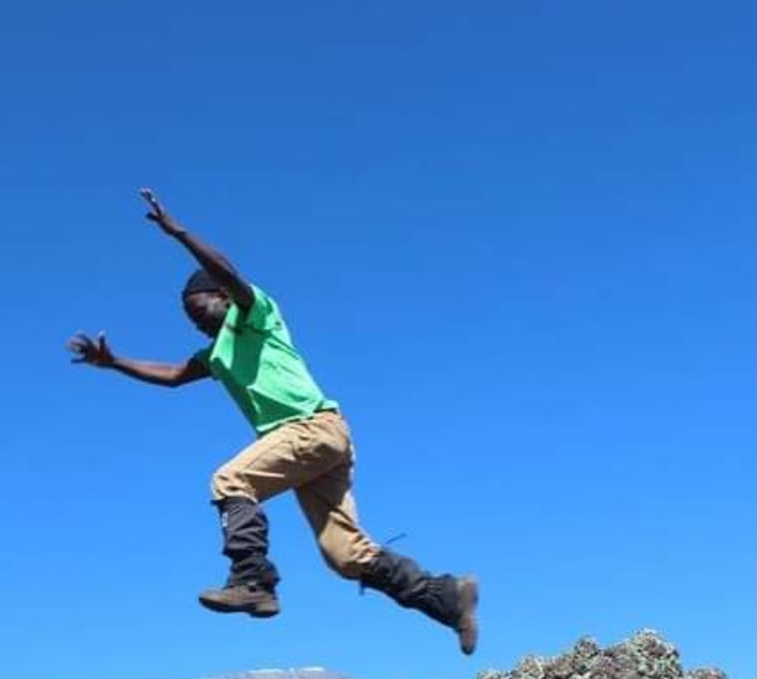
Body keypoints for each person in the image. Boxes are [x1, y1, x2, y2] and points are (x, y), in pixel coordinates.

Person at [70, 190, 481, 653]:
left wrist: (179, 233)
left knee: (230, 480)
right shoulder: (216, 354)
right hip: (317, 448)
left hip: (311, 429)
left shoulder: (255, 314)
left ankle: (253, 580)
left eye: (197, 310)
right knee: (344, 556)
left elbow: (229, 272)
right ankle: (448, 600)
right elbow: (172, 376)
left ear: (221, 298)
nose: (195, 323)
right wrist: (115, 362)